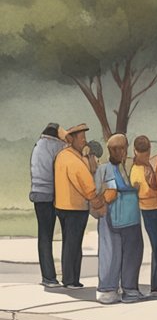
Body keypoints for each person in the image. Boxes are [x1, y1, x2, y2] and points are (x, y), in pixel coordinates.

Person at [94, 134, 144, 304]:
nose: (120, 151)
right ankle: (107, 289)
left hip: (132, 217)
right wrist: (101, 206)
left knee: (133, 252)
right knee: (110, 253)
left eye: (123, 147)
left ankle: (130, 289)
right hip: (110, 217)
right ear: (109, 150)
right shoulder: (103, 169)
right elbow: (95, 195)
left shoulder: (131, 165)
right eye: (116, 149)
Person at [52, 124, 102, 289]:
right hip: (75, 207)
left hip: (62, 206)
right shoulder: (72, 159)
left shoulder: (62, 156)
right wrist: (93, 198)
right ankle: (71, 280)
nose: (84, 142)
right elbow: (85, 182)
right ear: (71, 139)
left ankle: (70, 278)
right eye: (82, 139)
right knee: (73, 244)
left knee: (69, 243)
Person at [130, 136, 157, 298]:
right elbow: (144, 191)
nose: (146, 155)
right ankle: (156, 287)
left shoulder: (139, 167)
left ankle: (156, 286)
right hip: (151, 210)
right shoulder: (141, 169)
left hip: (153, 209)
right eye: (145, 152)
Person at [30, 123, 65, 287]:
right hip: (53, 195)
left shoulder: (38, 145)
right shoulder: (58, 146)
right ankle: (66, 275)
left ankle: (48, 276)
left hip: (37, 194)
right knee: (67, 236)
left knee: (44, 236)